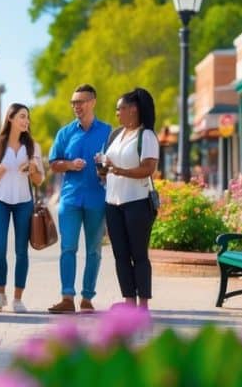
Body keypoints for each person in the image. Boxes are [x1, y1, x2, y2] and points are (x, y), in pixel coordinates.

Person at [46, 84, 112, 314]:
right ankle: (67, 297)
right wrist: (69, 165)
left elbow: (115, 164)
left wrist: (103, 167)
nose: (77, 106)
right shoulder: (65, 133)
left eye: (81, 102)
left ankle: (87, 297)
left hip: (97, 199)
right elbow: (53, 164)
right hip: (71, 199)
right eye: (74, 103)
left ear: (93, 102)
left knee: (94, 250)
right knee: (68, 248)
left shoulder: (108, 132)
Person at [0, 103, 44, 313]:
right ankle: (0, 293)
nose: (26, 121)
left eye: (27, 117)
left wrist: (33, 169)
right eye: (22, 117)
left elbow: (39, 180)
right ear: (10, 118)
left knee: (21, 252)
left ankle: (18, 298)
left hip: (24, 202)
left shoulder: (33, 146)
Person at [101, 88, 160, 310]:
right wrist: (104, 169)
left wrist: (121, 171)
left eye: (120, 109)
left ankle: (143, 304)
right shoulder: (116, 135)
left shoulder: (147, 136)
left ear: (133, 110)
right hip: (113, 203)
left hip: (137, 202)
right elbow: (110, 166)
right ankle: (128, 301)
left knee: (139, 255)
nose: (117, 113)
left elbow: (148, 168)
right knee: (120, 255)